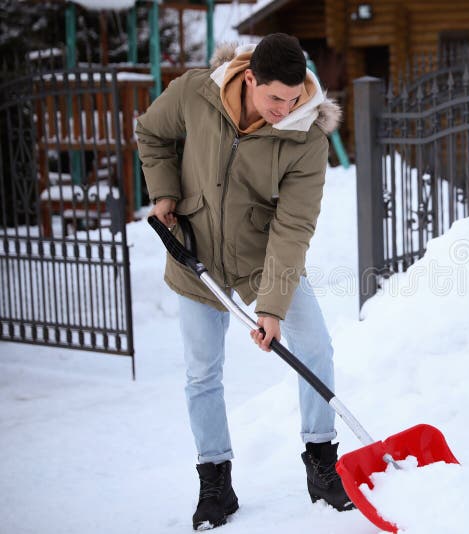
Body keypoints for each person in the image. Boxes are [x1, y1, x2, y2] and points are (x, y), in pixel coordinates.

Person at [136, 33, 351, 530]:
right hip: (197, 251)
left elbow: (293, 226)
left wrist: (271, 307)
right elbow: (152, 133)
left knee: (314, 347)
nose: (285, 108)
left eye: (294, 98)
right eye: (275, 97)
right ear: (248, 77)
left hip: (262, 257)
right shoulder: (196, 93)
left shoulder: (307, 137)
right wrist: (165, 193)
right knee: (201, 372)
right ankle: (216, 481)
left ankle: (322, 464)